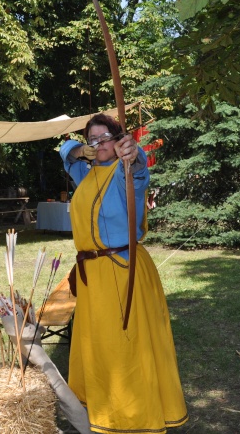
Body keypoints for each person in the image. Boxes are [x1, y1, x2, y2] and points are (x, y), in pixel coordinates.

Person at [60, 114, 188, 433]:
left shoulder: (124, 171)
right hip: (93, 276)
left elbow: (140, 170)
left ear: (118, 140)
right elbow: (66, 151)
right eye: (94, 140)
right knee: (98, 345)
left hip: (121, 269)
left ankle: (132, 417)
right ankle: (103, 409)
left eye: (106, 138)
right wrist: (79, 150)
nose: (100, 145)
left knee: (124, 346)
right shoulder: (85, 172)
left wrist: (133, 153)